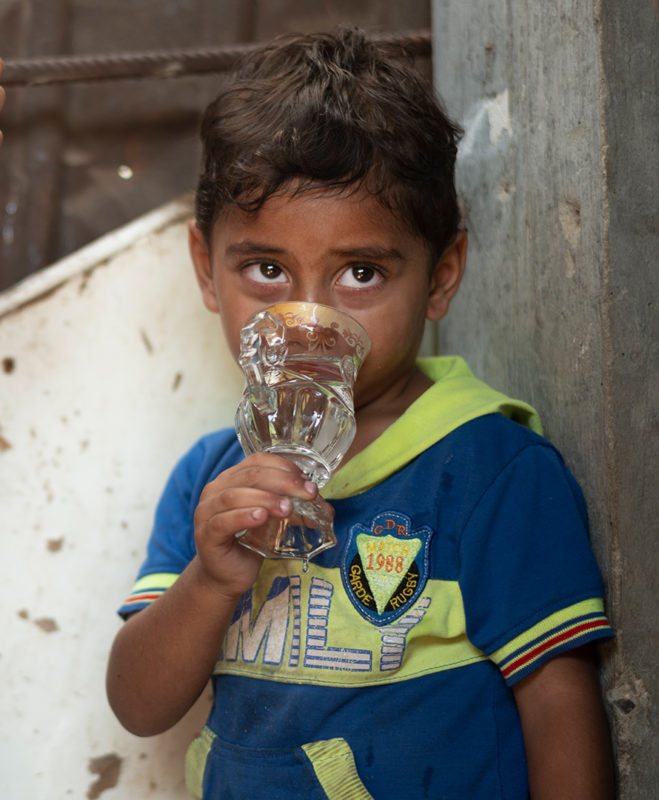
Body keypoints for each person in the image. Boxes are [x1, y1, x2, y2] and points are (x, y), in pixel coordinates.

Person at [106, 28, 615, 799]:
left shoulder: (490, 470)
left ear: (441, 277)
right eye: (267, 268)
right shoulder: (212, 477)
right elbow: (139, 706)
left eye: (361, 272)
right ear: (206, 270)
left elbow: (556, 707)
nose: (308, 319)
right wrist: (210, 583)